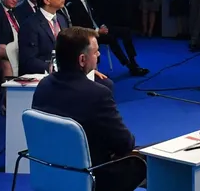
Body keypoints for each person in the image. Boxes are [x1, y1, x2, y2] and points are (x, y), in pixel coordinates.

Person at [32, 27, 146, 191]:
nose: (99, 55)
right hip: (92, 174)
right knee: (154, 160)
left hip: (49, 171)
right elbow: (125, 143)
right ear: (82, 60)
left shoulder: (43, 86)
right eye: (96, 52)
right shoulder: (97, 94)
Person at [67, 0, 149, 77]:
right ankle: (129, 66)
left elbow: (96, 17)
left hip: (99, 28)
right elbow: (79, 25)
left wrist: (102, 25)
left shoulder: (89, 0)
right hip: (89, 33)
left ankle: (133, 62)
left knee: (126, 31)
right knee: (111, 38)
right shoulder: (73, 4)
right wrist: (98, 31)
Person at [18, 0, 70, 75]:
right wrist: (55, 68)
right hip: (44, 75)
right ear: (47, 0)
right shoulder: (30, 25)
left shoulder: (61, 19)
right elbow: (29, 60)